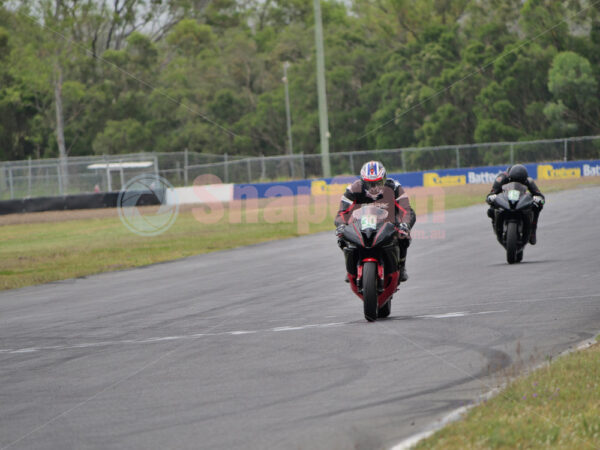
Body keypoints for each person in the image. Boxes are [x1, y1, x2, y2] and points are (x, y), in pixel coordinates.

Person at [335, 161, 416, 282]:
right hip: (361, 224)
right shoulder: (353, 189)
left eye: (378, 183)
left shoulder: (394, 186)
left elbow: (407, 210)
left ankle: (401, 266)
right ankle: (350, 269)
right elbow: (342, 213)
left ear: (384, 179)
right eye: (370, 184)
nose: (374, 188)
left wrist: (405, 224)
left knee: (403, 236)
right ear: (363, 182)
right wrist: (341, 225)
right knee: (342, 237)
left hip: (388, 223)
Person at [486, 164, 545, 244]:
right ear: (509, 178)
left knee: (536, 206)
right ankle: (495, 223)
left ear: (524, 180)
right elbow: (491, 194)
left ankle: (533, 230)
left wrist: (539, 200)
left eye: (521, 183)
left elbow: (541, 197)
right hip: (504, 200)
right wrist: (492, 197)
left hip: (520, 201)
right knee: (491, 210)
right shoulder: (501, 178)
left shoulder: (528, 181)